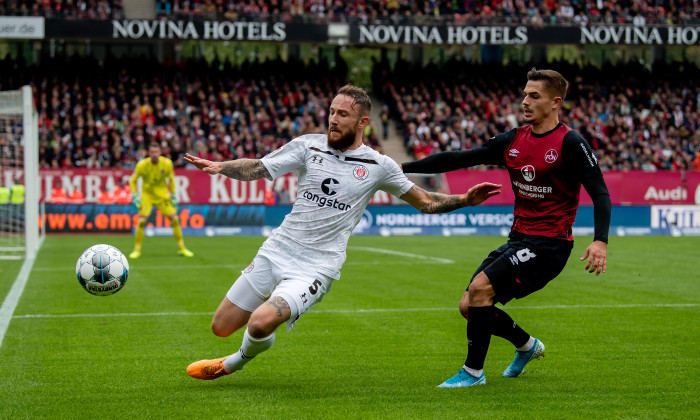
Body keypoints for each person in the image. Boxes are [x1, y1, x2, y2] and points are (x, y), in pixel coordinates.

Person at [183, 84, 502, 381]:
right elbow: (261, 167)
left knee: (261, 321)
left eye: (343, 114)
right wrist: (221, 167)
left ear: (362, 122)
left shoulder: (379, 165)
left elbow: (426, 201)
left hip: (315, 268)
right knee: (221, 326)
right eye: (332, 112)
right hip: (277, 249)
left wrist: (464, 199)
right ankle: (245, 343)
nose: (333, 119)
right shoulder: (308, 145)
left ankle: (232, 363)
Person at [401, 68, 611, 388]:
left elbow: (600, 192)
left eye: (534, 96)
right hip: (519, 239)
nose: (525, 101)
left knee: (480, 290)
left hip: (549, 245)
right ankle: (527, 346)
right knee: (468, 305)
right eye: (525, 94)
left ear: (556, 102)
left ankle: (473, 373)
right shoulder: (514, 139)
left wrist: (600, 241)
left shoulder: (570, 142)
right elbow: (460, 158)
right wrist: (400, 167)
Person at [128, 142, 193, 259]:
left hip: (162, 196)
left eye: (156, 152)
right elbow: (133, 180)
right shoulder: (142, 165)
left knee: (175, 219)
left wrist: (173, 196)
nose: (154, 154)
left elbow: (171, 180)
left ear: (160, 152)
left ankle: (181, 247)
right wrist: (135, 196)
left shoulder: (167, 163)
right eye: (152, 152)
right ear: (149, 153)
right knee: (142, 222)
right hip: (147, 196)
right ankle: (136, 249)